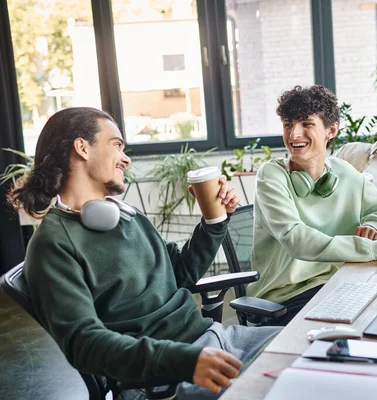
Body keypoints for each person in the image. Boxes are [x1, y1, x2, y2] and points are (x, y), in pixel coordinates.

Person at [8, 107, 280, 400]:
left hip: (217, 340)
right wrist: (183, 361)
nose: (126, 158)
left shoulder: (126, 215)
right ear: (82, 147)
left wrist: (215, 220)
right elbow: (84, 343)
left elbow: (180, 274)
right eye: (116, 145)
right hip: (164, 380)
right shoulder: (53, 244)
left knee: (320, 351)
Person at [247, 86, 377, 325]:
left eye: (306, 124)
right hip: (285, 298)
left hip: (338, 283)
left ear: (331, 130)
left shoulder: (342, 171)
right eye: (288, 124)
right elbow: (297, 240)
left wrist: (374, 224)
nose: (294, 134)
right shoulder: (272, 175)